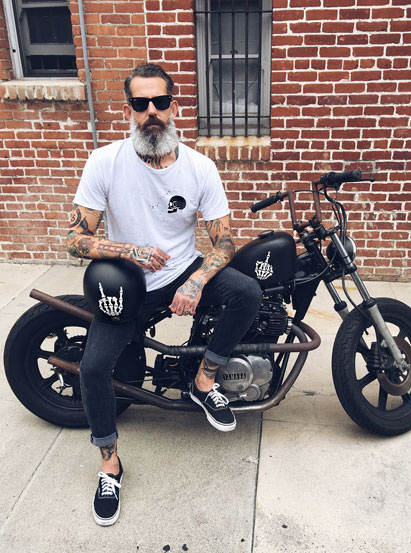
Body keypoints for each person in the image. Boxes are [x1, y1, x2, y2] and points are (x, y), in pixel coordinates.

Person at [66, 63, 262, 526]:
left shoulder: (200, 167)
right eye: (140, 104)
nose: (151, 112)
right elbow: (76, 238)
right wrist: (127, 249)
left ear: (175, 105)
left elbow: (225, 242)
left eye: (159, 102)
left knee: (247, 293)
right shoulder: (105, 161)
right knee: (93, 369)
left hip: (183, 269)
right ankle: (110, 464)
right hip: (128, 283)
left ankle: (204, 380)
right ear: (129, 109)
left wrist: (195, 280)